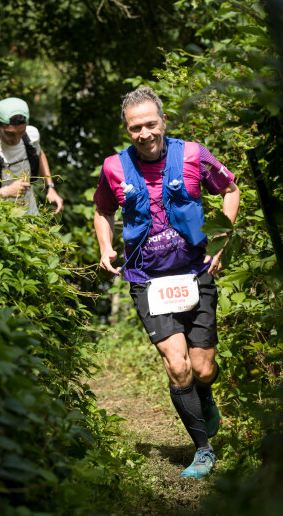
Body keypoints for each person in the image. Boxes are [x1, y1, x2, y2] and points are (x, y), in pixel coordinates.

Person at [93, 86, 240, 479]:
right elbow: (102, 210)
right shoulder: (114, 167)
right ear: (127, 130)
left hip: (196, 272)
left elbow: (229, 189)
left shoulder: (193, 155)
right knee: (177, 366)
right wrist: (106, 247)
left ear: (163, 121)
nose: (144, 133)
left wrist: (223, 239)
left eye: (150, 124)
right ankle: (203, 450)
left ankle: (205, 396)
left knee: (202, 369)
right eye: (134, 128)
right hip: (147, 279)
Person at [0, 97, 64, 215]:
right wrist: (5, 192)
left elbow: (40, 154)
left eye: (21, 132)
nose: (16, 139)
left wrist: (50, 187)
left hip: (30, 216)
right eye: (10, 134)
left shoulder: (31, 135)